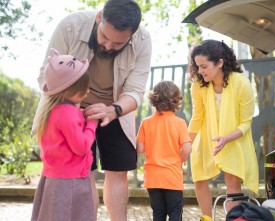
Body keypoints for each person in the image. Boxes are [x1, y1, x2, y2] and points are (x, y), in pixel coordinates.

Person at [32, 0, 152, 220]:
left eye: (118, 44)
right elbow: (44, 76)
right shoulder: (70, 25)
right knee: (83, 171)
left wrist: (113, 110)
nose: (108, 46)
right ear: (99, 18)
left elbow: (135, 91)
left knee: (118, 170)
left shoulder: (143, 41)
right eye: (104, 37)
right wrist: (72, 104)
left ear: (132, 35)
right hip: (69, 107)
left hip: (115, 108)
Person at [187, 39, 259, 221]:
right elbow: (197, 118)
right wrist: (186, 144)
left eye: (204, 66)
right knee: (199, 179)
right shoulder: (198, 85)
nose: (200, 71)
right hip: (207, 136)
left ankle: (233, 219)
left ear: (219, 63)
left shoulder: (241, 83)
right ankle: (206, 218)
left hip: (233, 138)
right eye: (197, 66)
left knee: (232, 182)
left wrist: (227, 138)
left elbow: (245, 123)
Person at [31, 48, 97, 221]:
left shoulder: (51, 111)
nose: (87, 91)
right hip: (70, 182)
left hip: (52, 179)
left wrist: (81, 117)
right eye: (84, 88)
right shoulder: (68, 113)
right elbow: (81, 147)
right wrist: (92, 124)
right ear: (69, 89)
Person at [136, 81, 192, 221]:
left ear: (154, 99)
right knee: (175, 212)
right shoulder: (179, 123)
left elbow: (140, 148)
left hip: (153, 178)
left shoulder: (146, 122)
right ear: (176, 100)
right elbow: (187, 148)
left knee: (158, 213)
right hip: (172, 176)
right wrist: (182, 157)